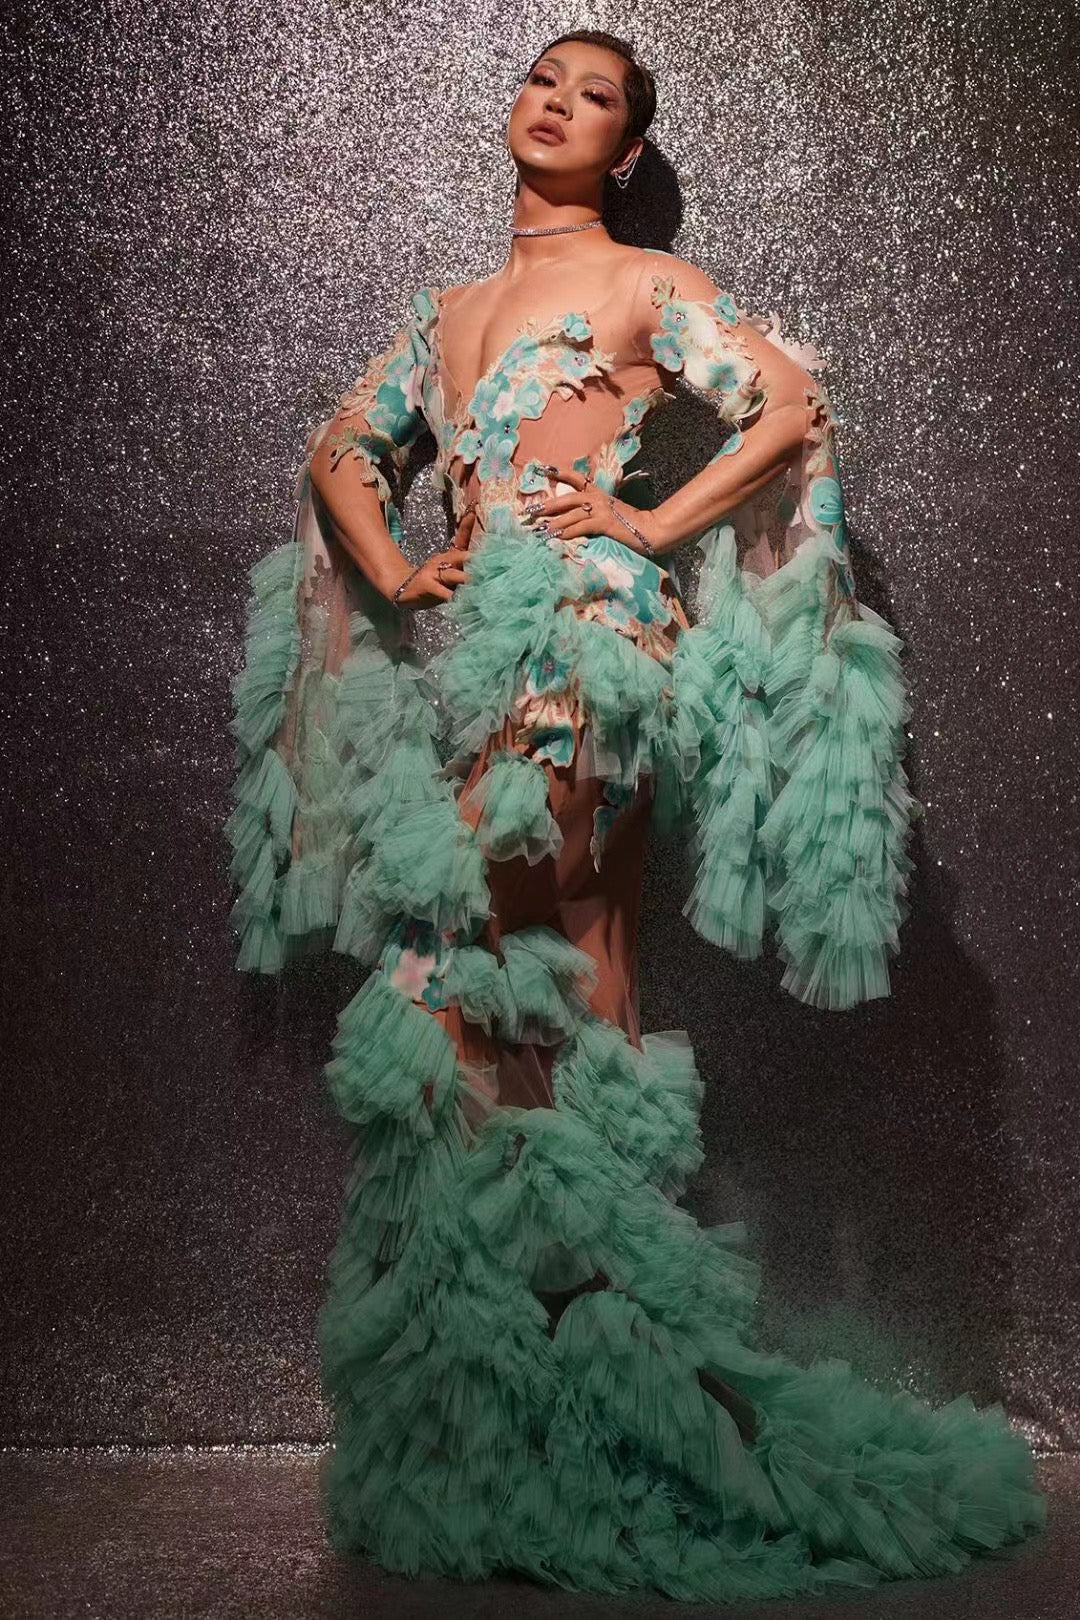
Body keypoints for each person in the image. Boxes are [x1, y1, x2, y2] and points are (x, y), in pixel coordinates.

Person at [225, 28, 1045, 1604]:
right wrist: (397, 569)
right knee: (540, 993)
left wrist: (646, 520)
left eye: (595, 96)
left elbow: (787, 407)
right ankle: (580, 1402)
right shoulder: (448, 314)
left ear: (628, 148)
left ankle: (602, 1392)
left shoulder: (645, 286)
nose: (558, 103)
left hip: (590, 651)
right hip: (482, 669)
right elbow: (343, 449)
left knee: (507, 974)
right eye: (545, 80)